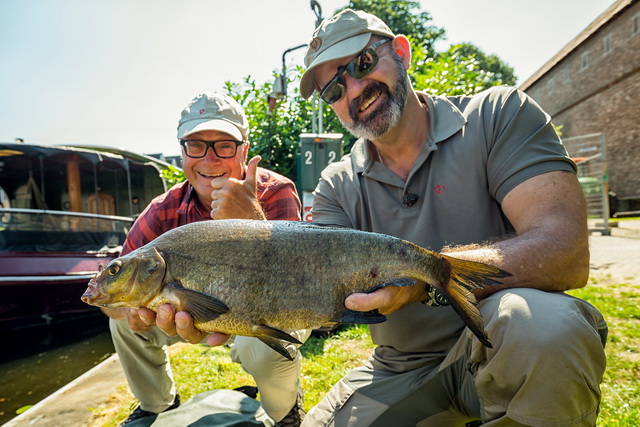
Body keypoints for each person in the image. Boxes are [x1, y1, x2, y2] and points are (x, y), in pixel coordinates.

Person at [297, 9, 608, 426]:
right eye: (333, 89)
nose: (354, 90)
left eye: (362, 64)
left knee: (544, 327)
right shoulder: (336, 184)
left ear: (402, 53)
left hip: (505, 347)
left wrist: (423, 280)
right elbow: (318, 285)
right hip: (400, 368)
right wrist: (243, 264)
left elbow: (565, 250)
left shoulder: (499, 116)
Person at [102, 92, 310, 426]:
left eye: (224, 145)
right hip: (189, 311)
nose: (209, 159)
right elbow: (113, 281)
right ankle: (158, 404)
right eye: (196, 145)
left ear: (243, 149)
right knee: (122, 322)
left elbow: (300, 279)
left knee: (265, 344)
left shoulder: (275, 191)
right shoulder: (162, 210)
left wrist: (253, 222)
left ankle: (284, 410)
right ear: (183, 151)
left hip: (265, 308)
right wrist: (133, 312)